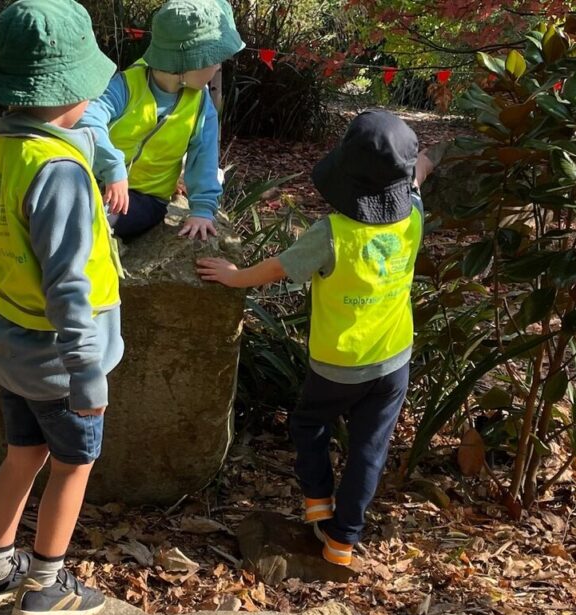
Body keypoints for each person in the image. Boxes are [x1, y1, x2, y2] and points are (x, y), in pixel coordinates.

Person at [197, 110, 435, 568]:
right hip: (392, 360)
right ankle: (342, 542)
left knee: (309, 424)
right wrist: (423, 161)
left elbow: (279, 268)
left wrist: (233, 277)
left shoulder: (332, 234)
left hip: (337, 363)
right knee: (369, 448)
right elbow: (418, 178)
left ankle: (317, 501)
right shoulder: (414, 216)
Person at [0, 0, 122, 615]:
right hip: (61, 364)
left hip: (11, 350)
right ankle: (48, 585)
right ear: (72, 92)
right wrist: (88, 374)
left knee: (20, 457)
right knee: (73, 465)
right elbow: (70, 284)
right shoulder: (59, 171)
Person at [78, 0, 243, 241]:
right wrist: (113, 168)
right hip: (94, 180)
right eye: (213, 61)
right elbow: (87, 119)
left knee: (95, 218)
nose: (218, 66)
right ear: (187, 65)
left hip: (145, 199)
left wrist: (203, 210)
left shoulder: (200, 105)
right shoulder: (127, 84)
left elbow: (204, 159)